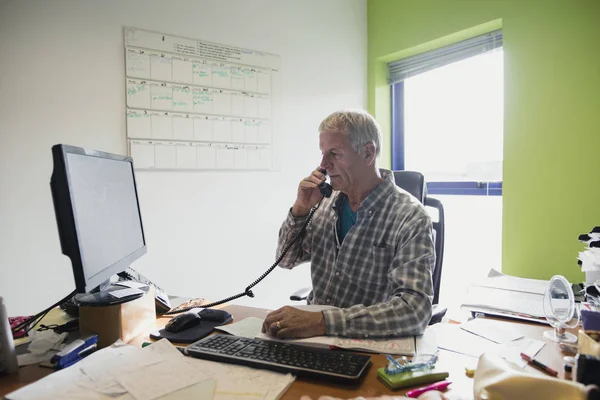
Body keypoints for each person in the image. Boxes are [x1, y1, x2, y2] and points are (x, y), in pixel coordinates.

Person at [262, 110, 435, 339]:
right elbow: (285, 260)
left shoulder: (411, 217)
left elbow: (414, 311)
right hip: (315, 338)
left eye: (334, 153)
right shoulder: (323, 204)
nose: (323, 165)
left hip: (366, 345)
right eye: (323, 153)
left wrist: (324, 322)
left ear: (367, 153)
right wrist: (300, 209)